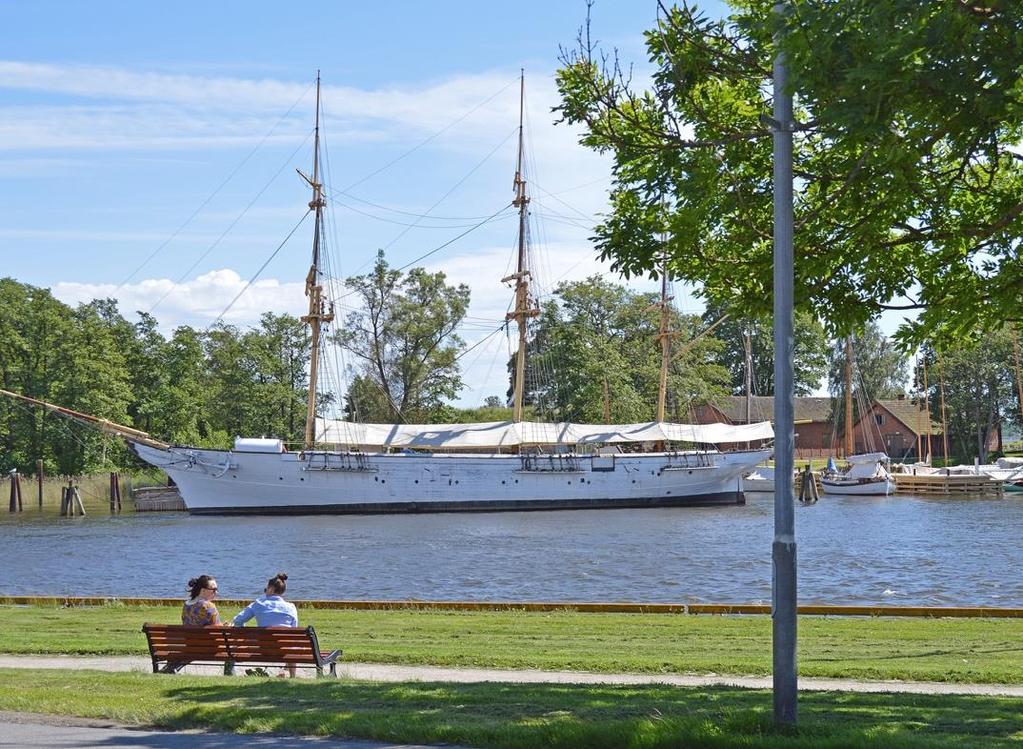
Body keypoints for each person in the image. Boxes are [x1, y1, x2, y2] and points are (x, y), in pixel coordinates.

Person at [232, 572, 299, 677]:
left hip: (263, 648)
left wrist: (243, 631)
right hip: (285, 649)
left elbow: (238, 620)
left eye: (265, 589)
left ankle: (230, 670)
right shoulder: (291, 607)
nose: (265, 592)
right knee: (291, 644)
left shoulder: (258, 604)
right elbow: (294, 631)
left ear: (271, 589)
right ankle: (292, 676)